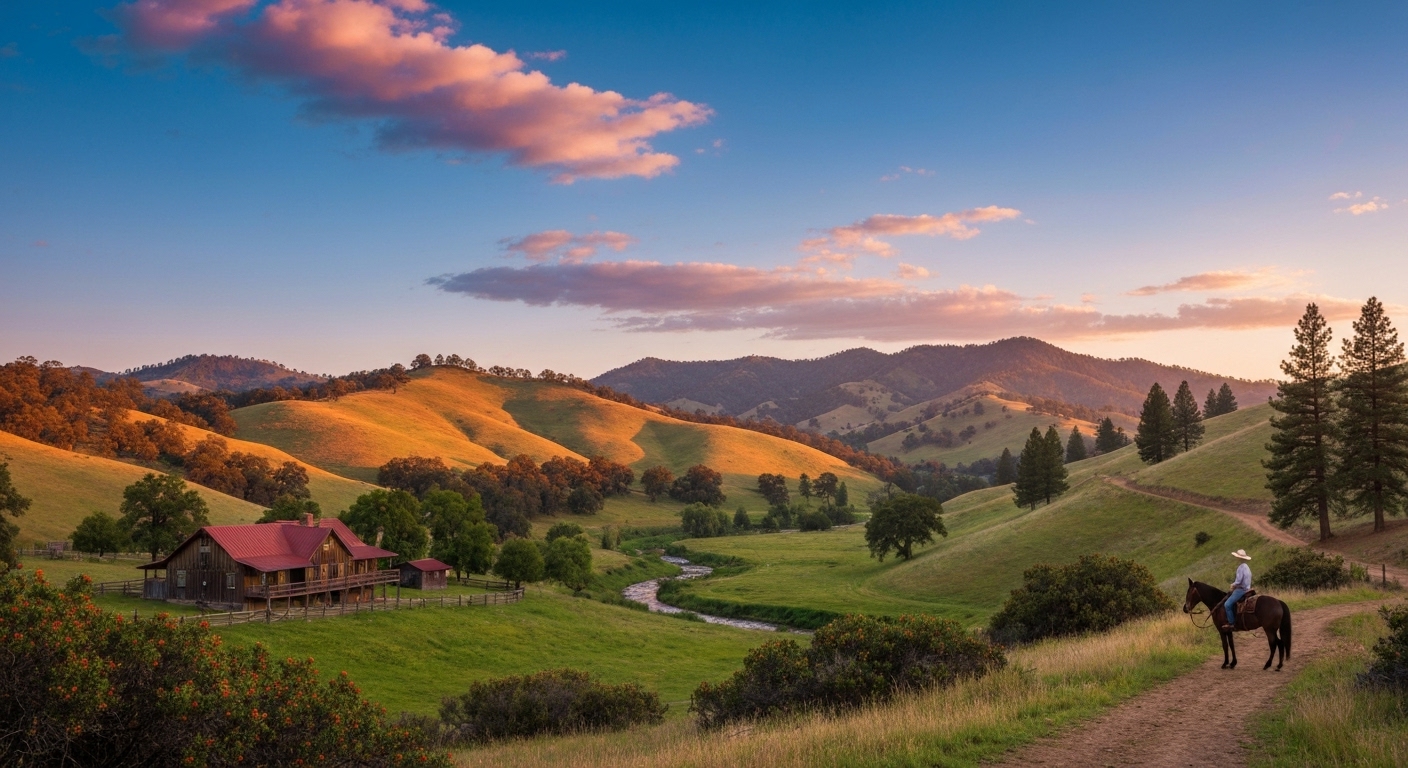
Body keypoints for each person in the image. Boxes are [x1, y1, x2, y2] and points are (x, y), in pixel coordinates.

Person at [1224, 549, 1252, 629]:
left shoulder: (1241, 567)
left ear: (1239, 558)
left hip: (1241, 590)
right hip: (1248, 589)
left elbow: (1238, 581)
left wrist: (1232, 585)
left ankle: (1231, 623)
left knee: (1227, 604)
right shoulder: (1247, 567)